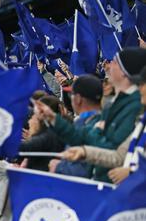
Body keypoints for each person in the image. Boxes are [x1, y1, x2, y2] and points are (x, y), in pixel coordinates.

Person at [36, 48, 146, 182]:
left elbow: (111, 149)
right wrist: (54, 119)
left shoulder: (133, 106)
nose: (109, 66)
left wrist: (85, 152)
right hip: (103, 182)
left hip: (116, 186)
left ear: (124, 72)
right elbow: (90, 137)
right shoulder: (112, 105)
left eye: (115, 62)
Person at [61, 66, 146, 184]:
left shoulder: (97, 119)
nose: (140, 88)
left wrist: (133, 171)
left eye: (142, 84)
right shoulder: (142, 122)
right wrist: (85, 152)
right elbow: (118, 157)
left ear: (79, 99)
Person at [50, 75, 103, 178]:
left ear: (78, 99)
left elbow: (83, 170)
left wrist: (58, 167)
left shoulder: (92, 126)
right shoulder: (96, 120)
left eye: (71, 95)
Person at [19, 95, 66, 171]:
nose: (31, 120)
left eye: (34, 115)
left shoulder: (48, 136)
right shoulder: (61, 129)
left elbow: (16, 150)